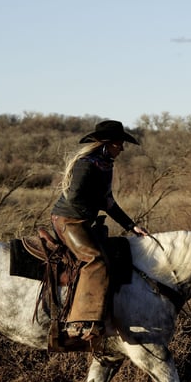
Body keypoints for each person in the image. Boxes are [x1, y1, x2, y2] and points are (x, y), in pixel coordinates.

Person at [51, 120, 149, 341]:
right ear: (107, 144)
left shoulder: (105, 164)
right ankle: (80, 323)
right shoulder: (86, 163)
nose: (122, 148)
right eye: (118, 144)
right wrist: (100, 201)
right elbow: (75, 196)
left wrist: (131, 226)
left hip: (83, 220)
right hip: (69, 220)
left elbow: (109, 202)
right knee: (94, 260)